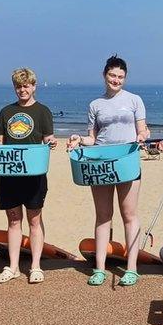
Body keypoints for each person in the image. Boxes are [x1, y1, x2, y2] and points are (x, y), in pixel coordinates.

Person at [67, 55, 149, 287]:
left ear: (125, 78)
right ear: (105, 75)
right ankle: (100, 269)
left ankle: (131, 269)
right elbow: (92, 138)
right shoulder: (95, 105)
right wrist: (78, 139)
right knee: (103, 216)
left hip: (128, 163)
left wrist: (142, 136)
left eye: (121, 77)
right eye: (112, 75)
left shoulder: (134, 100)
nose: (116, 80)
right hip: (101, 165)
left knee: (129, 215)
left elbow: (142, 130)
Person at [0, 68, 58, 285]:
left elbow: (48, 138)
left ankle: (36, 266)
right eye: (19, 86)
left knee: (34, 219)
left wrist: (52, 143)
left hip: (34, 175)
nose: (23, 90)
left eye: (26, 85)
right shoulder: (6, 112)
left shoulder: (43, 111)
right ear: (15, 88)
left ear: (33, 86)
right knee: (13, 220)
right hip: (9, 174)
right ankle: (13, 267)